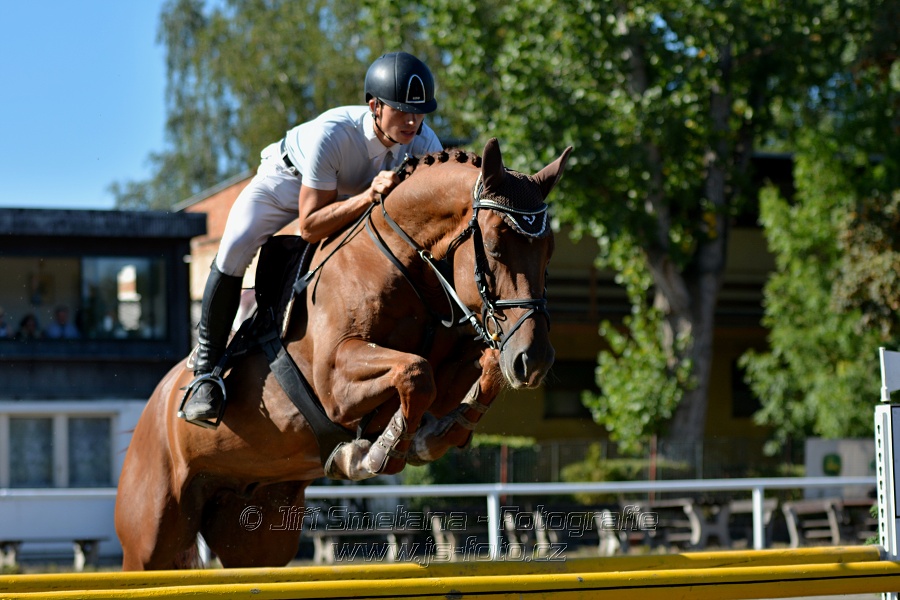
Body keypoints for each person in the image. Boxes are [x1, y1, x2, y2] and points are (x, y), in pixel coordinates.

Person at [180, 51, 443, 425]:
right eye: (402, 111)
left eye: (419, 112)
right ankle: (205, 371)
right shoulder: (334, 133)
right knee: (235, 246)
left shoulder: (424, 143)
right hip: (287, 184)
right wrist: (368, 197)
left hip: (351, 195)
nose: (412, 121)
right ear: (374, 106)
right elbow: (310, 226)